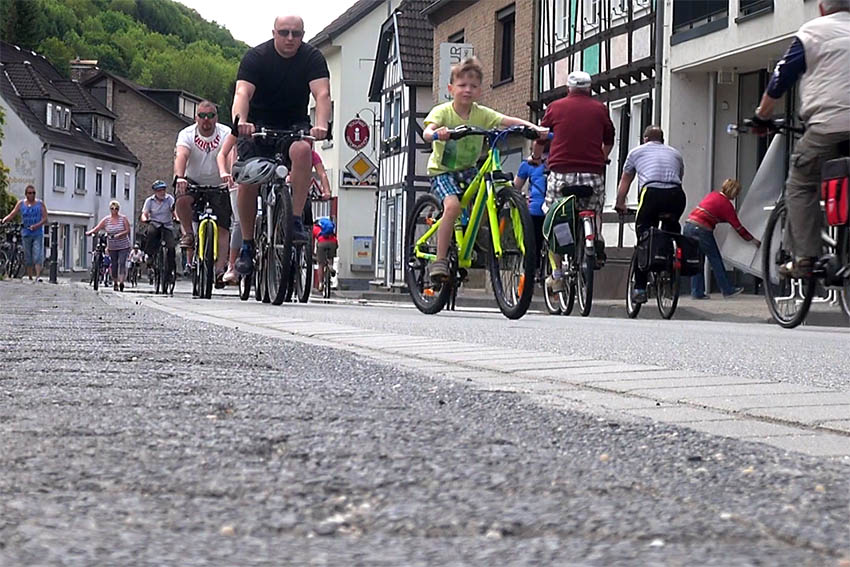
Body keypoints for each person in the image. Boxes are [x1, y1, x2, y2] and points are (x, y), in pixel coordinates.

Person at [423, 56, 548, 282]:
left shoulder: (482, 114)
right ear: (451, 88)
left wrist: (534, 128)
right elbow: (427, 130)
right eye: (462, 85)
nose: (467, 90)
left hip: (469, 169)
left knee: (487, 197)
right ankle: (440, 260)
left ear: (480, 90)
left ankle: (479, 236)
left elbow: (508, 121)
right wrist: (435, 134)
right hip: (443, 170)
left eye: (473, 86)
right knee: (451, 207)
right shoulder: (443, 112)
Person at [753, 0, 850, 277]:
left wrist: (762, 115)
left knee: (801, 184)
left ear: (821, 8)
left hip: (826, 128)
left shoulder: (812, 32)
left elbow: (781, 77)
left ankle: (806, 257)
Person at [231, 14, 331, 278]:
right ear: (274, 32)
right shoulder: (256, 58)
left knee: (303, 151)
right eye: (284, 32)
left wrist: (321, 124)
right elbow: (242, 93)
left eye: (296, 34)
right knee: (248, 178)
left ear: (302, 35)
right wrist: (241, 121)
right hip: (256, 126)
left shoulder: (312, 58)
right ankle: (248, 244)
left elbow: (322, 94)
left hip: (293, 125)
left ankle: (295, 220)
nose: (290, 38)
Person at [530, 70, 615, 292]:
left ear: (568, 88)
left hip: (561, 173)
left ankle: (557, 273)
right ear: (589, 88)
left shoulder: (555, 107)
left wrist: (536, 158)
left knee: (553, 216)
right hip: (592, 174)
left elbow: (541, 135)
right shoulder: (600, 109)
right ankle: (595, 239)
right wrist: (603, 157)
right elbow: (609, 138)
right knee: (594, 209)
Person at [614, 125, 686, 305]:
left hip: (651, 194)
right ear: (662, 139)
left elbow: (625, 180)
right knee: (671, 228)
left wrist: (619, 203)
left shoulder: (636, 152)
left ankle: (639, 288)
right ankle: (670, 269)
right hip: (676, 195)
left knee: (644, 240)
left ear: (645, 139)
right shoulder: (675, 154)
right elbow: (679, 176)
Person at [174, 100, 235, 285]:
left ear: (216, 117)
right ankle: (188, 234)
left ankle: (219, 269)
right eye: (202, 116)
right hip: (193, 181)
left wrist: (230, 175)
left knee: (224, 226)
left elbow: (231, 154)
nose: (206, 120)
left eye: (210, 116)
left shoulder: (225, 133)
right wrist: (180, 176)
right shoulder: (187, 134)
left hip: (219, 183)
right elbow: (181, 155)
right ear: (196, 118)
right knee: (182, 200)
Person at [684, 179, 760, 299]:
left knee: (697, 261)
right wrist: (752, 240)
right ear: (733, 191)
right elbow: (738, 227)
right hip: (702, 230)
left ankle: (696, 292)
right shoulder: (726, 204)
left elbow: (712, 213)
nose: (737, 195)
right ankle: (727, 290)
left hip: (689, 226)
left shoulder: (713, 195)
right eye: (737, 192)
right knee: (715, 260)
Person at [2, 184, 48, 281]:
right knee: (28, 255)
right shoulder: (21, 204)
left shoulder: (40, 204)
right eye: (30, 193)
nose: (32, 195)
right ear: (26, 194)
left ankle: (38, 276)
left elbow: (45, 218)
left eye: (34, 193)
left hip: (37, 233)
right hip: (26, 232)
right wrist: (5, 219)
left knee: (37, 253)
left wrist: (36, 225)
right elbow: (13, 213)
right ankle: (30, 276)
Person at [87, 200, 132, 291]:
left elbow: (128, 230)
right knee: (114, 264)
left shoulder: (123, 219)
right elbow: (97, 227)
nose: (114, 210)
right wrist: (90, 232)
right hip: (112, 246)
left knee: (122, 263)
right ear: (110, 209)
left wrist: (120, 234)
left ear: (118, 209)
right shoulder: (106, 220)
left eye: (116, 209)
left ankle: (122, 282)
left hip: (123, 245)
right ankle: (115, 282)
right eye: (112, 208)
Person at [513, 156, 547, 277]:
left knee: (533, 245)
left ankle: (532, 271)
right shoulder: (557, 159)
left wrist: (523, 198)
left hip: (535, 210)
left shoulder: (527, 164)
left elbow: (515, 188)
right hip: (555, 209)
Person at [140, 180, 177, 282]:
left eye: (163, 190)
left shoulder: (169, 199)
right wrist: (145, 219)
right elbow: (145, 213)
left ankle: (170, 271)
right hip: (155, 223)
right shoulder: (149, 201)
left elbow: (174, 211)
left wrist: (176, 218)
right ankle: (150, 256)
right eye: (159, 190)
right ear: (155, 192)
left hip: (167, 225)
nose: (162, 192)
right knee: (150, 233)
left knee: (171, 246)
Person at [312, 216, 338, 291]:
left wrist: (313, 253)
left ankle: (320, 283)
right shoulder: (330, 225)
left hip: (322, 243)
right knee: (330, 258)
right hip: (333, 242)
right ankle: (330, 266)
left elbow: (312, 243)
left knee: (320, 264)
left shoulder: (315, 228)